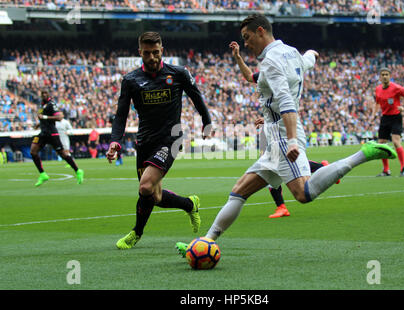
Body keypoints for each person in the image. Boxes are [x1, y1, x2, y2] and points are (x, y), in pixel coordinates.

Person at [176, 14, 397, 256]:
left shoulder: (271, 61)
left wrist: (290, 139)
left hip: (282, 134)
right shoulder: (290, 53)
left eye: (247, 38)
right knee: (239, 191)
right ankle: (205, 242)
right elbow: (298, 65)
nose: (246, 43)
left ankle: (361, 155)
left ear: (261, 31)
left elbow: (285, 101)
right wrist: (312, 53)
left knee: (303, 193)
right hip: (276, 131)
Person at [107, 31, 212, 250]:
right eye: (147, 53)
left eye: (156, 52)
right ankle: (189, 203)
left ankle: (136, 233)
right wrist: (115, 141)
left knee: (145, 186)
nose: (152, 57)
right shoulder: (131, 80)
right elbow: (121, 115)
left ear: (162, 50)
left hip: (170, 139)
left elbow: (196, 97)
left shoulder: (179, 73)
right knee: (154, 196)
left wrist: (207, 122)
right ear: (140, 52)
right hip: (144, 142)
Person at [230, 40, 335, 218]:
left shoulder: (276, 71)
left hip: (285, 128)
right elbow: (249, 77)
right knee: (275, 167)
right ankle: (321, 170)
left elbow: (285, 101)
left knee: (298, 187)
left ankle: (328, 170)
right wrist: (238, 58)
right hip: (276, 125)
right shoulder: (286, 66)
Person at [30, 88, 84, 186]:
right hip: (43, 133)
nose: (44, 94)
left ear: (49, 94)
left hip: (52, 134)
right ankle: (42, 174)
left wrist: (45, 117)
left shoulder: (51, 104)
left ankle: (78, 171)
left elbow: (59, 117)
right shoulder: (42, 105)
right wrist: (38, 125)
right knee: (33, 151)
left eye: (46, 92)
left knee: (62, 154)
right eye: (43, 93)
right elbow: (43, 118)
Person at [371, 67, 404, 177]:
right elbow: (377, 103)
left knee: (395, 141)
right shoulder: (378, 89)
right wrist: (373, 114)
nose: (384, 76)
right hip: (385, 118)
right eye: (383, 74)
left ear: (390, 76)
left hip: (395, 117)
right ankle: (386, 170)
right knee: (381, 143)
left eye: (386, 74)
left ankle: (403, 168)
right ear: (380, 77)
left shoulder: (396, 88)